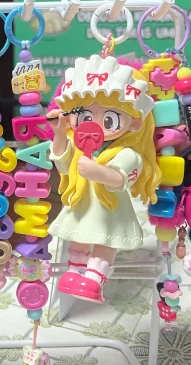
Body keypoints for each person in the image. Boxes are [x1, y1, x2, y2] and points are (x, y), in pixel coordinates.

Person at [46, 55, 161, 303]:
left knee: (105, 242)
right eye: (85, 116)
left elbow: (119, 179)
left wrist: (96, 171)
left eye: (109, 119)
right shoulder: (78, 146)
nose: (95, 125)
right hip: (82, 204)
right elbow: (62, 162)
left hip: (110, 209)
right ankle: (74, 273)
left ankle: (95, 279)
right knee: (78, 240)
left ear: (135, 123)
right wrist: (59, 133)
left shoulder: (127, 153)